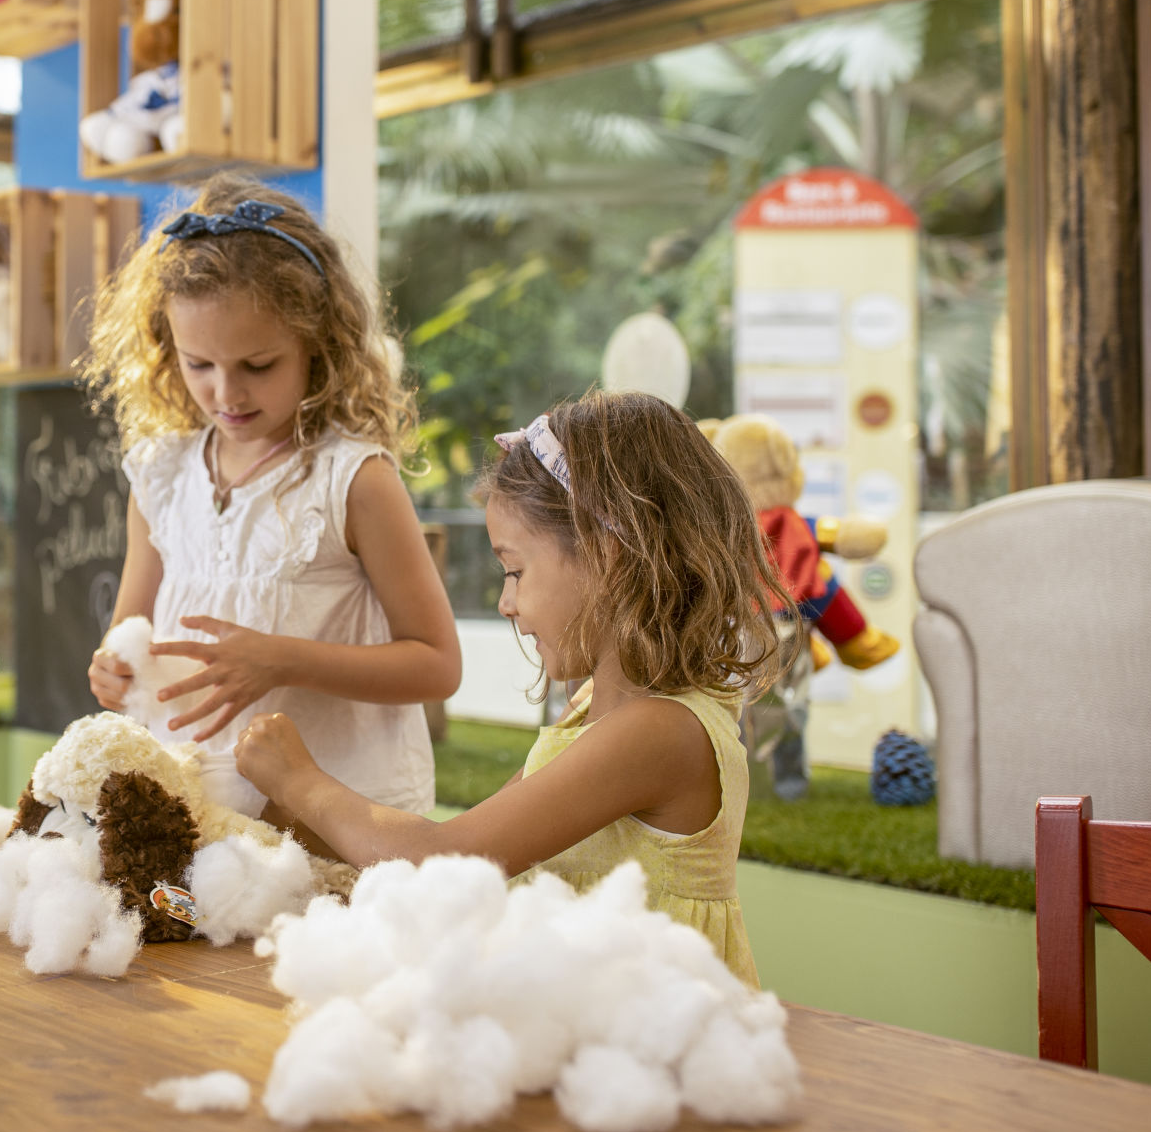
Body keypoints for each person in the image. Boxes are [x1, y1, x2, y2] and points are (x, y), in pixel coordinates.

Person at [235, 390, 785, 985]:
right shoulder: (592, 713)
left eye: (515, 571)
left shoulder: (661, 732)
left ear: (609, 555)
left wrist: (300, 780)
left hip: (662, 1043)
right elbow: (477, 853)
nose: (506, 603)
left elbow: (444, 862)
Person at [79, 176, 459, 820]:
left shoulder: (355, 481)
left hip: (339, 819)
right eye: (199, 364)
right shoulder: (158, 479)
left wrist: (281, 660)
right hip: (198, 810)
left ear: (318, 347)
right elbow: (130, 628)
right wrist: (111, 670)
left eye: (258, 366)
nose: (227, 393)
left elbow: (435, 665)